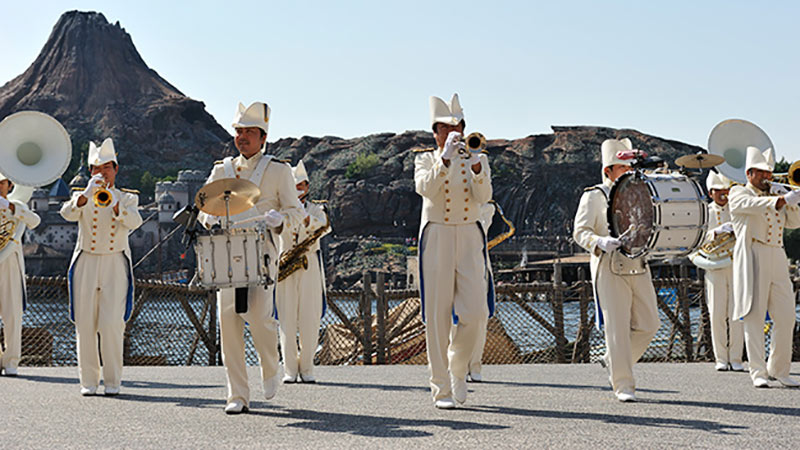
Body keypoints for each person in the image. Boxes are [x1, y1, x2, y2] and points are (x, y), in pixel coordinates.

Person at [197, 101, 304, 414]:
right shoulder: (221, 170)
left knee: (260, 318)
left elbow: (296, 213)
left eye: (248, 132)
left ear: (263, 136)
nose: (242, 137)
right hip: (226, 255)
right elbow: (204, 207)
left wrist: (280, 219)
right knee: (228, 324)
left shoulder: (278, 170)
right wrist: (210, 220)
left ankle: (271, 366)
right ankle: (237, 396)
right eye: (238, 131)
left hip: (262, 254)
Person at [414, 93, 493, 409]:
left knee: (476, 312)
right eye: (444, 128)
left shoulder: (479, 157)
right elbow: (425, 189)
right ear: (435, 132)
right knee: (437, 316)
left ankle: (458, 369)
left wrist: (475, 166)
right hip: (437, 235)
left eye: (456, 126)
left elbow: (484, 196)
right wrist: (444, 159)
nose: (452, 132)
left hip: (469, 236)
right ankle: (441, 388)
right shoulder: (425, 159)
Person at [572, 138, 660, 402]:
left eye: (629, 167)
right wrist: (599, 241)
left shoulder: (642, 193)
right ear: (608, 171)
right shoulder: (593, 196)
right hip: (609, 267)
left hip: (637, 264)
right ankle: (623, 384)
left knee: (649, 325)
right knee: (617, 329)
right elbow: (580, 232)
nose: (627, 172)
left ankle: (613, 360)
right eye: (621, 168)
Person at [60, 139, 142, 396]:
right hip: (86, 260)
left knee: (111, 323)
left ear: (116, 170)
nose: (102, 172)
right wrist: (85, 194)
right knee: (85, 323)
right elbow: (67, 214)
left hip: (114, 262)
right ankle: (88, 381)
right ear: (90, 171)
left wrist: (116, 205)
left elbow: (135, 222)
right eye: (97, 168)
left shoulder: (127, 197)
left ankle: (113, 380)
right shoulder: (80, 196)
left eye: (107, 167)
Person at [729, 146, 800, 388]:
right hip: (753, 253)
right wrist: (779, 199)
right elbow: (750, 205)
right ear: (749, 174)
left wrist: (791, 200)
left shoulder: (773, 195)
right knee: (754, 315)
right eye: (760, 173)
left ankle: (778, 369)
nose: (766, 177)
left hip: (777, 253)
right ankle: (757, 371)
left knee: (787, 315)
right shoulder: (737, 192)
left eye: (768, 173)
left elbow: (795, 222)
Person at [276, 160, 331, 384]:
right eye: (294, 186)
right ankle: (289, 369)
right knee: (286, 319)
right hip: (286, 265)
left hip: (309, 264)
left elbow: (323, 226)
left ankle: (307, 368)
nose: (299, 189)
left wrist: (302, 215)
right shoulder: (280, 209)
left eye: (302, 185)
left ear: (308, 187)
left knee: (309, 318)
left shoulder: (317, 208)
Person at [688, 172, 744, 371]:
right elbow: (695, 239)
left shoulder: (736, 210)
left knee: (737, 314)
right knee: (717, 314)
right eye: (719, 192)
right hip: (714, 268)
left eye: (726, 191)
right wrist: (716, 233)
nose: (723, 195)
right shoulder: (705, 212)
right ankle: (721, 358)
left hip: (736, 265)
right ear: (711, 193)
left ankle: (736, 358)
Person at [0, 172, 41, 377]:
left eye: (2, 183)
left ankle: (11, 361)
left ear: (9, 185)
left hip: (10, 264)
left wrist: (10, 208)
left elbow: (35, 220)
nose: (0, 187)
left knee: (12, 315)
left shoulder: (17, 205)